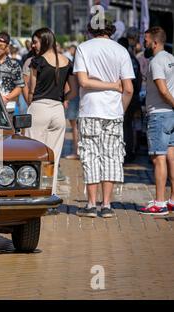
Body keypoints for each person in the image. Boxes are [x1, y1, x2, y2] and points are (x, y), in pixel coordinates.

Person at [73, 20, 135, 218]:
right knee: (111, 157)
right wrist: (120, 107)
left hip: (90, 108)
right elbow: (129, 89)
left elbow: (83, 82)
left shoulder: (83, 48)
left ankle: (91, 205)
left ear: (90, 30)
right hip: (113, 111)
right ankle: (106, 205)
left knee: (90, 156)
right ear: (111, 30)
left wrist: (103, 84)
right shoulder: (121, 51)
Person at [24, 28, 77, 195]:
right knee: (53, 156)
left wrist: (31, 104)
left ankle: (33, 192)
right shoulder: (67, 61)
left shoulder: (37, 61)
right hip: (57, 110)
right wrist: (63, 99)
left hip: (39, 108)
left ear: (45, 41)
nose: (33, 45)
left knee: (33, 154)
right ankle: (50, 193)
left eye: (35, 41)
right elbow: (74, 90)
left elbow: (31, 90)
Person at [139, 27, 174, 215]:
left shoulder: (156, 61)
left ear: (155, 42)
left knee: (158, 158)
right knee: (171, 157)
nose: (143, 43)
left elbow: (162, 90)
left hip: (159, 114)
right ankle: (172, 200)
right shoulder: (171, 59)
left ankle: (159, 203)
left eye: (146, 40)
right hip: (170, 115)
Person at [118, 37, 142, 163]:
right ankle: (130, 151)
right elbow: (138, 80)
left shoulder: (124, 59)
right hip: (135, 97)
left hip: (127, 96)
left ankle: (126, 153)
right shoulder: (133, 59)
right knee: (129, 125)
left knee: (125, 126)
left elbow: (128, 85)